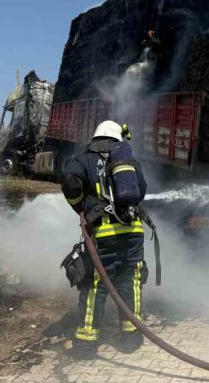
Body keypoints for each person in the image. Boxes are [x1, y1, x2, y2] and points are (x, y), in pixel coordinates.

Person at [60, 121, 148, 359]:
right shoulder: (130, 163)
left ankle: (86, 345)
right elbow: (141, 191)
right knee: (130, 282)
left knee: (95, 286)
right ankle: (131, 339)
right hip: (133, 233)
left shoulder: (83, 160)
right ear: (118, 140)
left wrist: (80, 207)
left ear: (96, 138)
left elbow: (69, 183)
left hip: (103, 236)